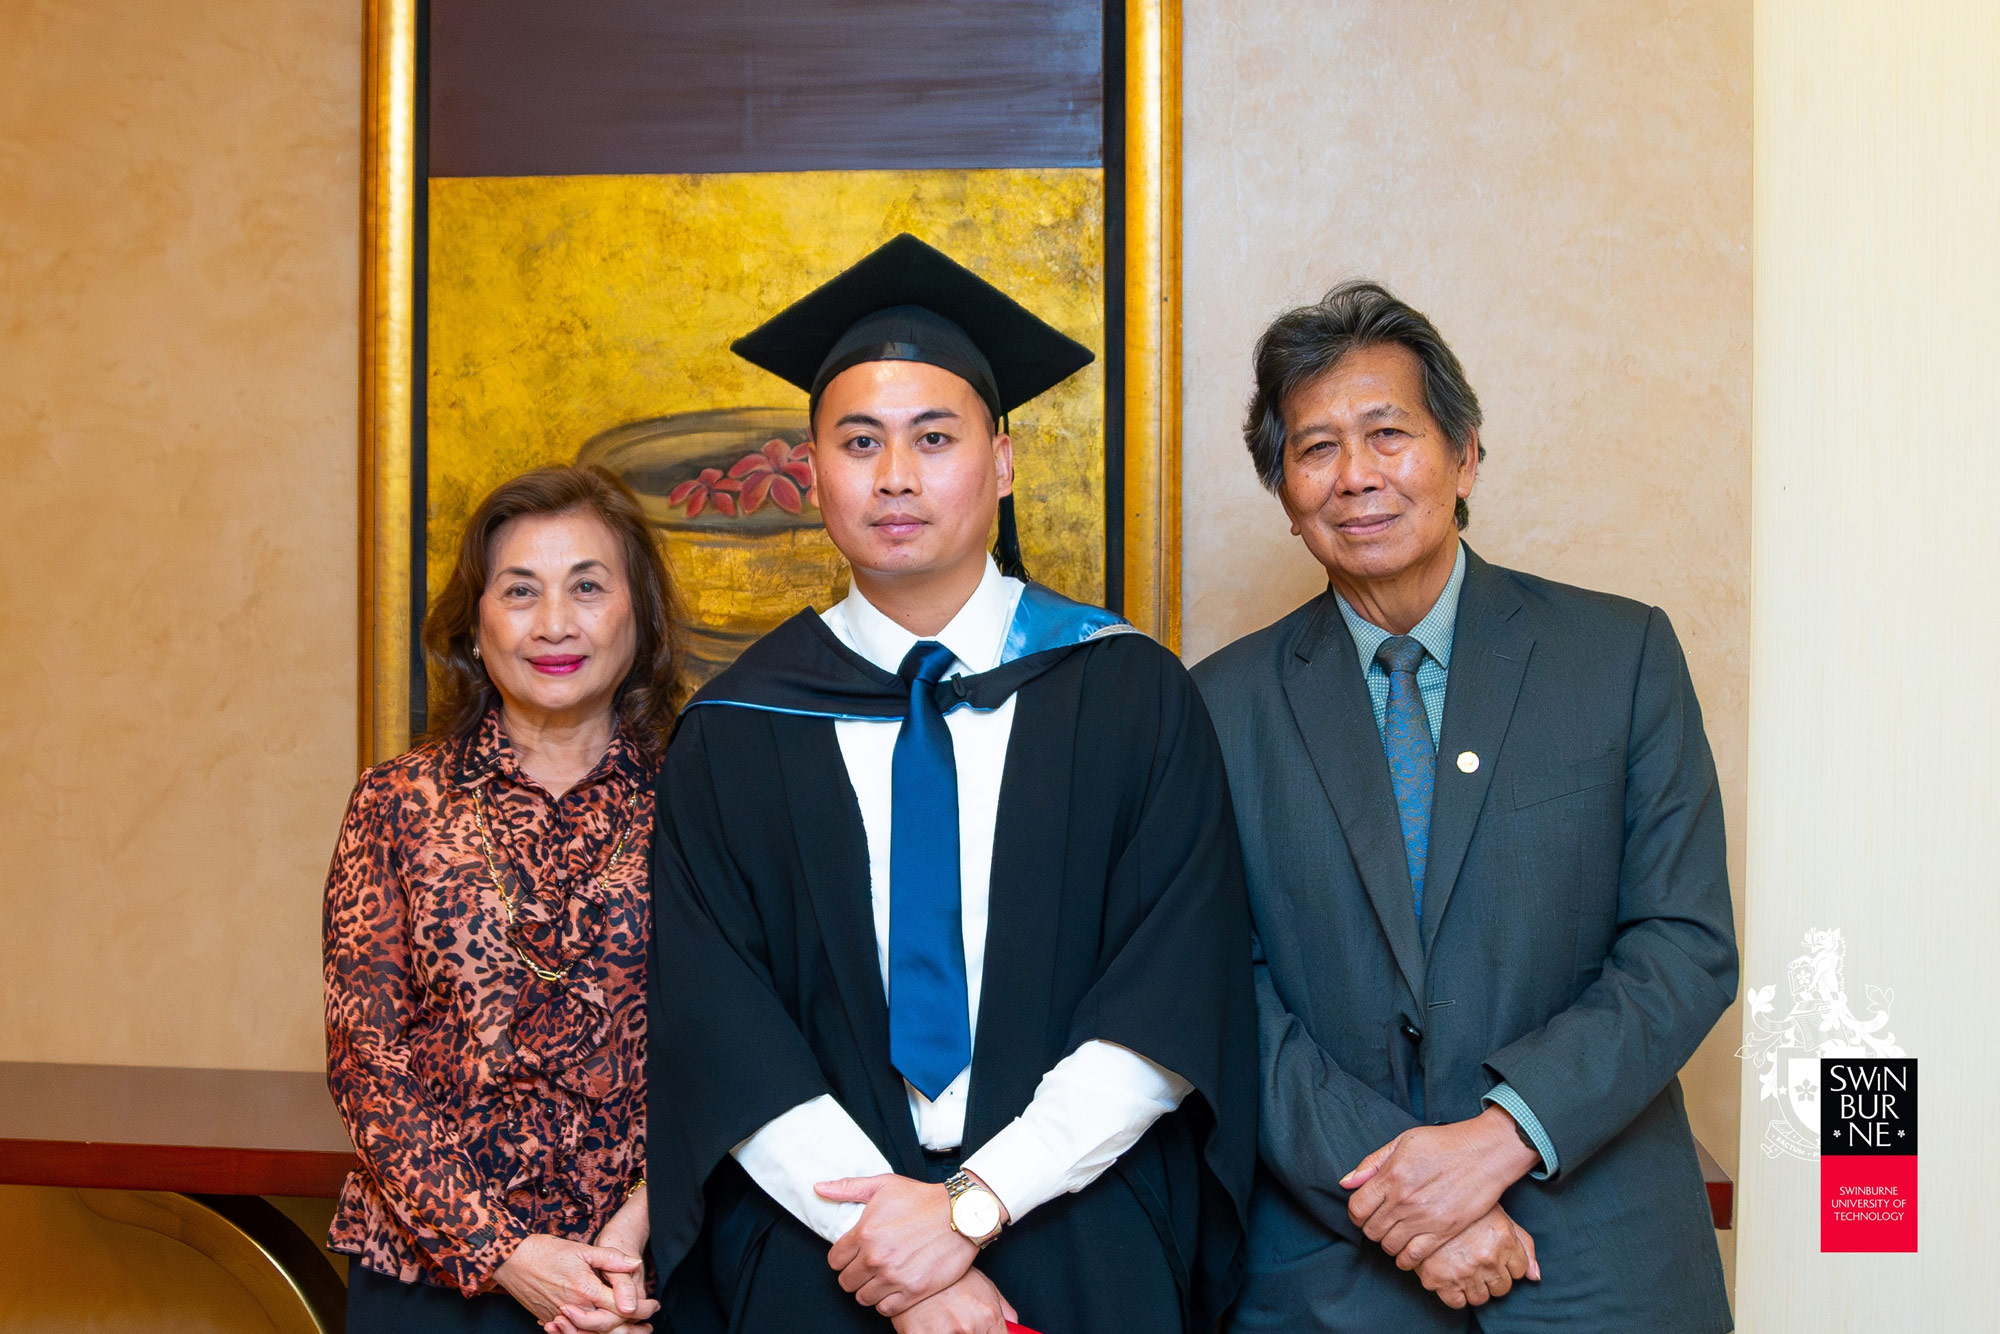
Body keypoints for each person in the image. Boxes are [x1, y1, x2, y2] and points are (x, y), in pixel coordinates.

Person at [645, 234, 1255, 1334]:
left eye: (934, 438)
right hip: (818, 1246)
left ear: (1004, 460)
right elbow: (719, 1022)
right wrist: (891, 1240)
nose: (894, 476)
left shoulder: (1126, 696)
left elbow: (1170, 987)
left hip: (1078, 1222)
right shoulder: (734, 731)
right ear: (812, 466)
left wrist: (976, 1203)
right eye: (859, 441)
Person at [1193, 282, 1737, 1332]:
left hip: (1595, 1252)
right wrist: (1408, 1198)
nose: (1355, 475)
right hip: (1332, 1264)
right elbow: (1225, 990)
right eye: (1314, 449)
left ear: (1463, 454)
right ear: (1283, 488)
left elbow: (1682, 943)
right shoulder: (1217, 706)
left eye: (1386, 433)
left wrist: (1499, 1136)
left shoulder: (1615, 657)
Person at [325, 465, 688, 1333]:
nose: (554, 624)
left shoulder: (700, 807)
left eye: (588, 587)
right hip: (428, 1277)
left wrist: (635, 1228)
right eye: (520, 591)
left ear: (636, 614)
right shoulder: (397, 802)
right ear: (475, 622)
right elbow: (367, 1065)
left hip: (639, 1274)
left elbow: (734, 1045)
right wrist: (504, 1254)